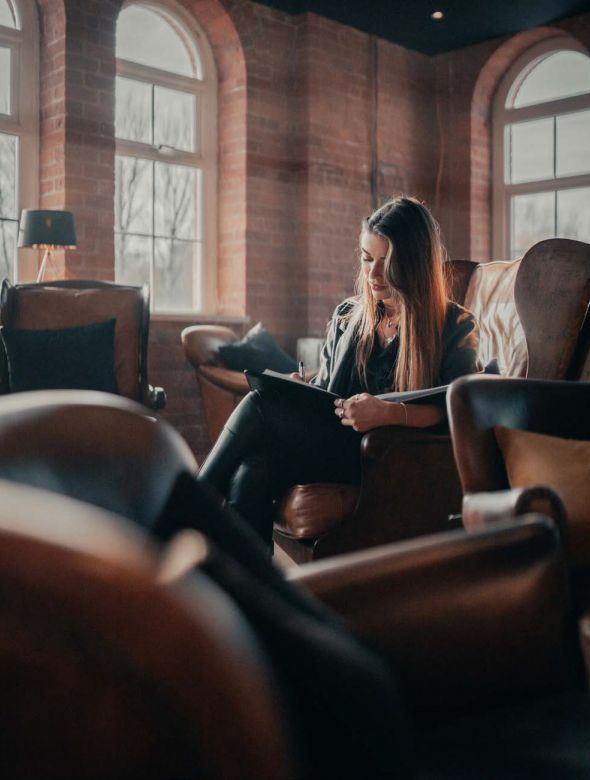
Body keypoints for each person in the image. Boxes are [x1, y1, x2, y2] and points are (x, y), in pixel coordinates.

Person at [198, 196, 480, 547]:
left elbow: (458, 409)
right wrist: (302, 392)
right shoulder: (348, 316)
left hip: (391, 454)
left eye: (386, 262)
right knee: (252, 469)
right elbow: (327, 388)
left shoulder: (455, 325)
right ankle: (247, 580)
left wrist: (388, 413)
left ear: (415, 262)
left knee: (259, 405)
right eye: (367, 259)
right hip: (335, 445)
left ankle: (187, 507)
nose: (373, 274)